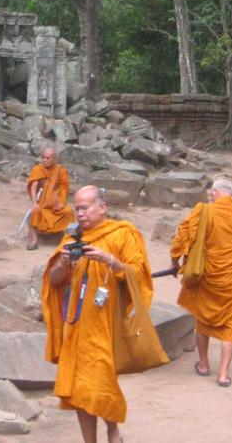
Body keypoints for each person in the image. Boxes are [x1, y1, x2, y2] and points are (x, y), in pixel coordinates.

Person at [42, 185, 155, 443]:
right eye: (77, 208)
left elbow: (139, 276)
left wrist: (110, 261)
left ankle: (112, 431)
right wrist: (63, 262)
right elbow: (55, 281)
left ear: (102, 207)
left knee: (101, 380)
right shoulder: (71, 239)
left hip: (106, 322)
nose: (79, 213)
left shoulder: (122, 234)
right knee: (78, 388)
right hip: (77, 323)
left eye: (85, 208)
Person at [170, 177, 232, 386]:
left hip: (209, 278)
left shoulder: (204, 211)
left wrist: (175, 263)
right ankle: (223, 374)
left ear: (214, 194)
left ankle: (204, 364)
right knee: (230, 326)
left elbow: (181, 238)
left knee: (202, 320)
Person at [25, 147, 73, 250]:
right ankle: (34, 240)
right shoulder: (38, 169)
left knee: (68, 212)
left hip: (56, 201)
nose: (45, 160)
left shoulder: (61, 170)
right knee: (36, 212)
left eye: (48, 158)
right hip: (42, 201)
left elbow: (64, 188)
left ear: (54, 159)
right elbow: (33, 186)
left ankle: (68, 240)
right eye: (43, 157)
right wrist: (34, 203)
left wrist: (61, 203)